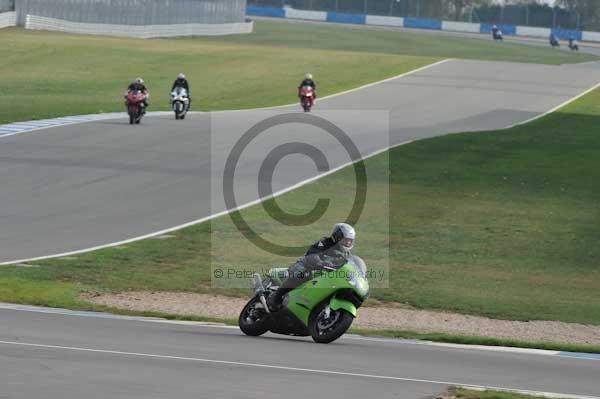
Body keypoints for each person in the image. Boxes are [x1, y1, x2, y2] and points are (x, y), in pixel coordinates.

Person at [266, 223, 356, 311]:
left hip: (323, 274)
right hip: (305, 266)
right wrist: (320, 262)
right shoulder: (324, 243)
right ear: (337, 236)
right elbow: (313, 253)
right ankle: (275, 297)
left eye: (350, 240)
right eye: (345, 240)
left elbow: (349, 265)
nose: (348, 242)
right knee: (301, 275)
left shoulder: (346, 254)